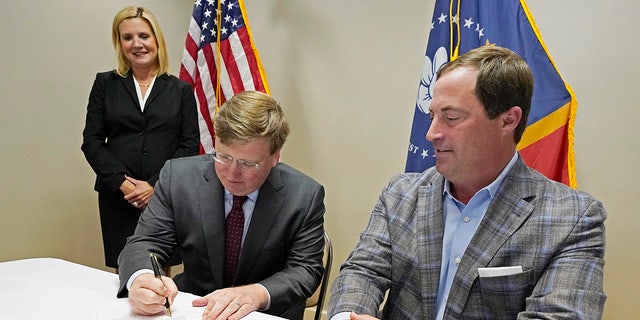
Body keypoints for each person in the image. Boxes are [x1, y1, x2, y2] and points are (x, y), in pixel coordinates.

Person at [328, 45, 607, 320]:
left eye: (451, 118)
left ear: (508, 120)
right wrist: (346, 316)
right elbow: (362, 271)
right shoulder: (401, 194)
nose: (432, 133)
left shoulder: (572, 220)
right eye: (432, 116)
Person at [116, 90, 326, 320]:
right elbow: (146, 241)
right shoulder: (179, 177)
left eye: (248, 163)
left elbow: (306, 270)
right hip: (193, 308)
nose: (232, 173)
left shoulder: (304, 195)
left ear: (275, 157)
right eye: (223, 157)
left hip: (264, 314)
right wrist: (142, 278)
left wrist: (257, 293)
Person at [81, 6, 199, 273]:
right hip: (118, 197)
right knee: (125, 274)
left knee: (160, 274)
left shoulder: (180, 90)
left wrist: (155, 186)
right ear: (119, 43)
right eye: (127, 37)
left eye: (143, 36)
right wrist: (123, 184)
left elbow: (189, 145)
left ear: (156, 39)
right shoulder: (105, 84)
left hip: (163, 198)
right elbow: (92, 141)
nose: (137, 44)